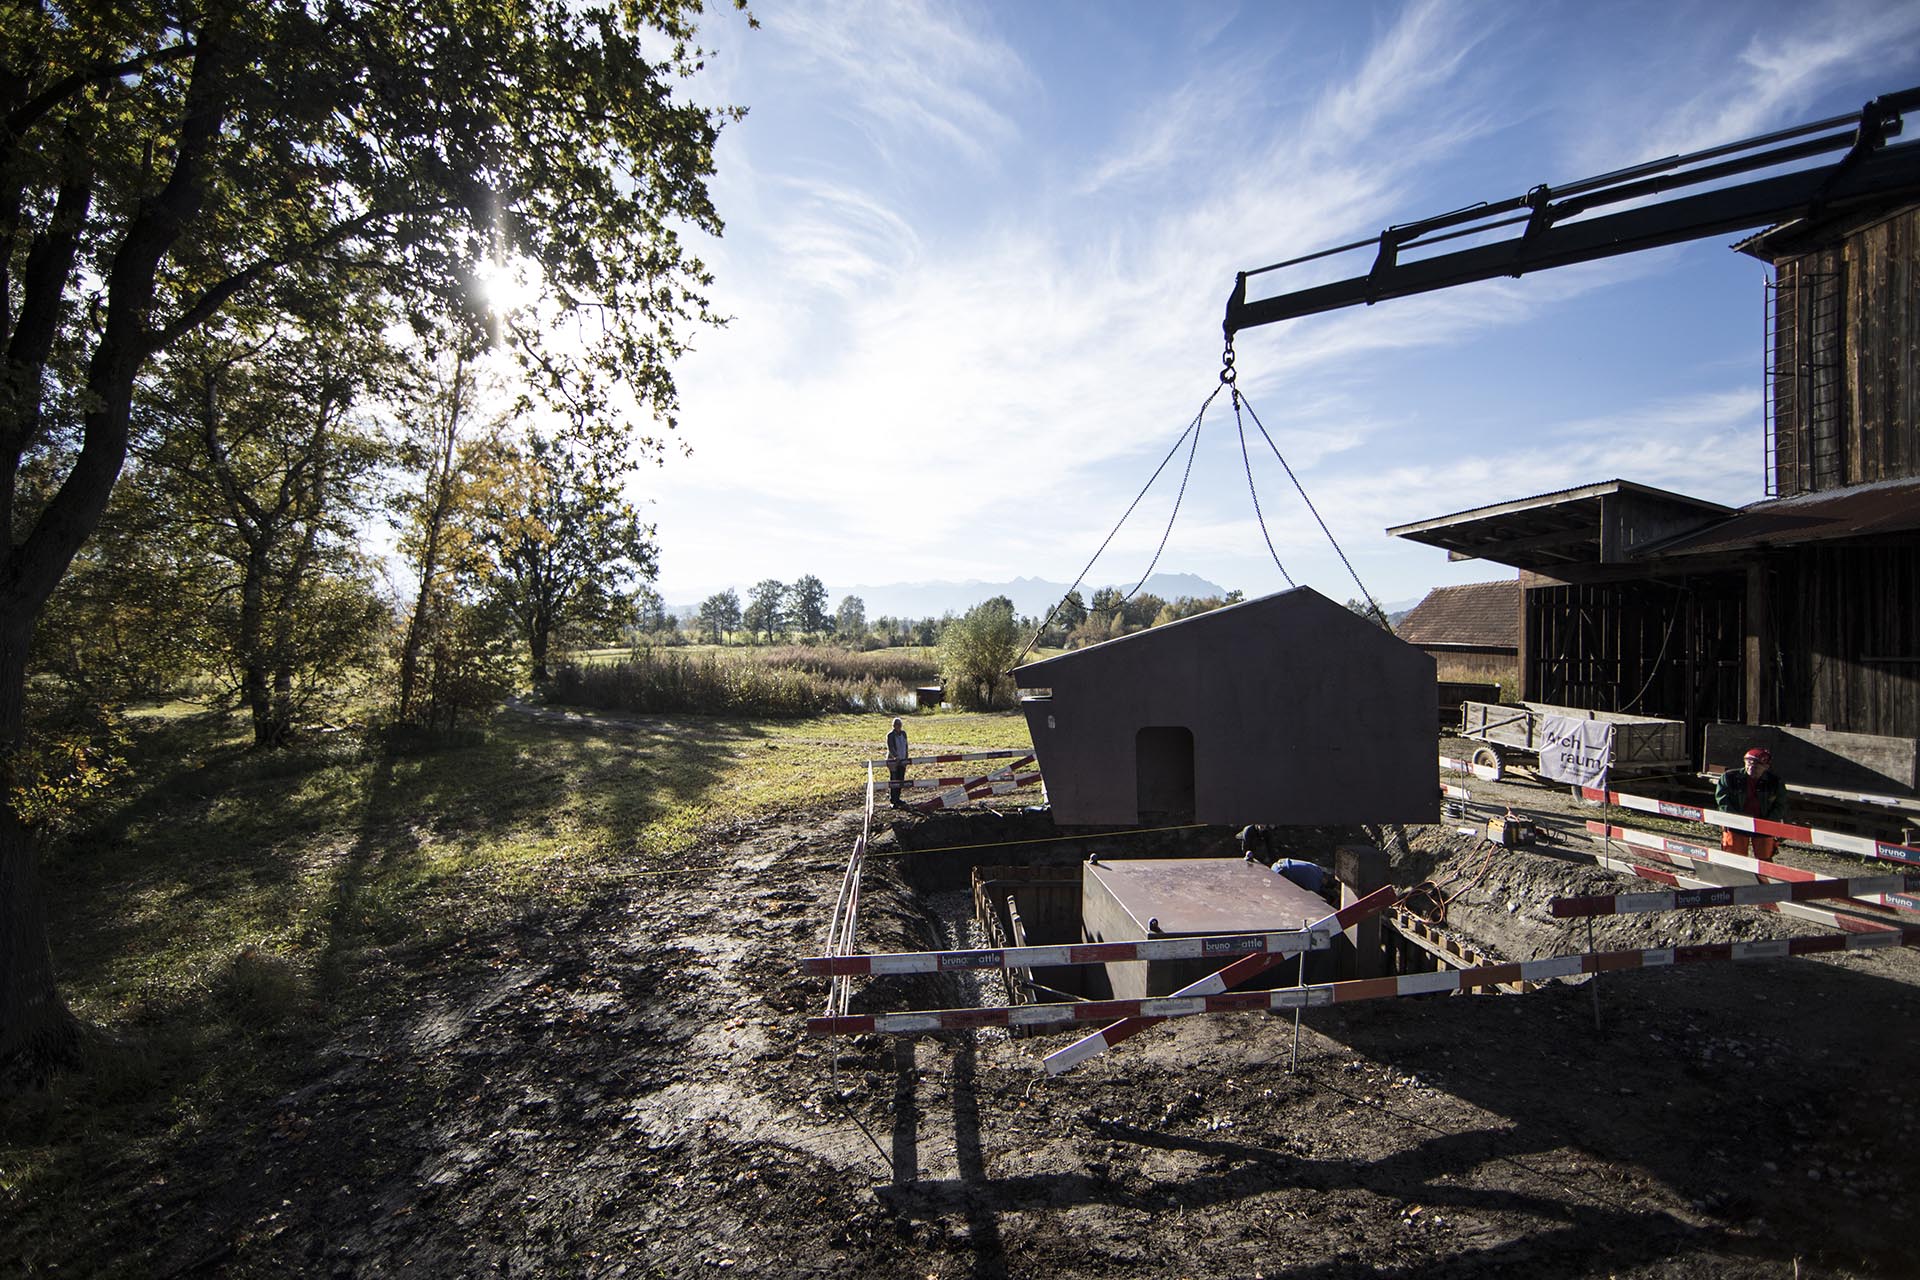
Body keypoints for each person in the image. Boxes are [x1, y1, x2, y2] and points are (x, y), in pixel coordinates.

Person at [1714, 746, 1786, 861]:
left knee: (1765, 859)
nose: (1751, 768)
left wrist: (1769, 822)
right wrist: (1733, 819)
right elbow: (1722, 801)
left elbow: (1781, 805)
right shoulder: (1729, 777)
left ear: (1766, 767)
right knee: (1735, 859)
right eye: (1749, 764)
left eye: (1757, 766)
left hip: (1763, 824)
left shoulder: (1775, 782)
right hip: (1737, 823)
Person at [886, 716, 909, 809]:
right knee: (894, 780)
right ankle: (893, 800)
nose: (899, 726)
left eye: (900, 724)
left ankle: (898, 798)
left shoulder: (903, 734)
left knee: (901, 779)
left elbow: (906, 746)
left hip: (903, 760)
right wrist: (896, 757)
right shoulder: (890, 735)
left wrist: (906, 757)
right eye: (897, 724)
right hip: (894, 762)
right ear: (894, 725)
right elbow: (891, 747)